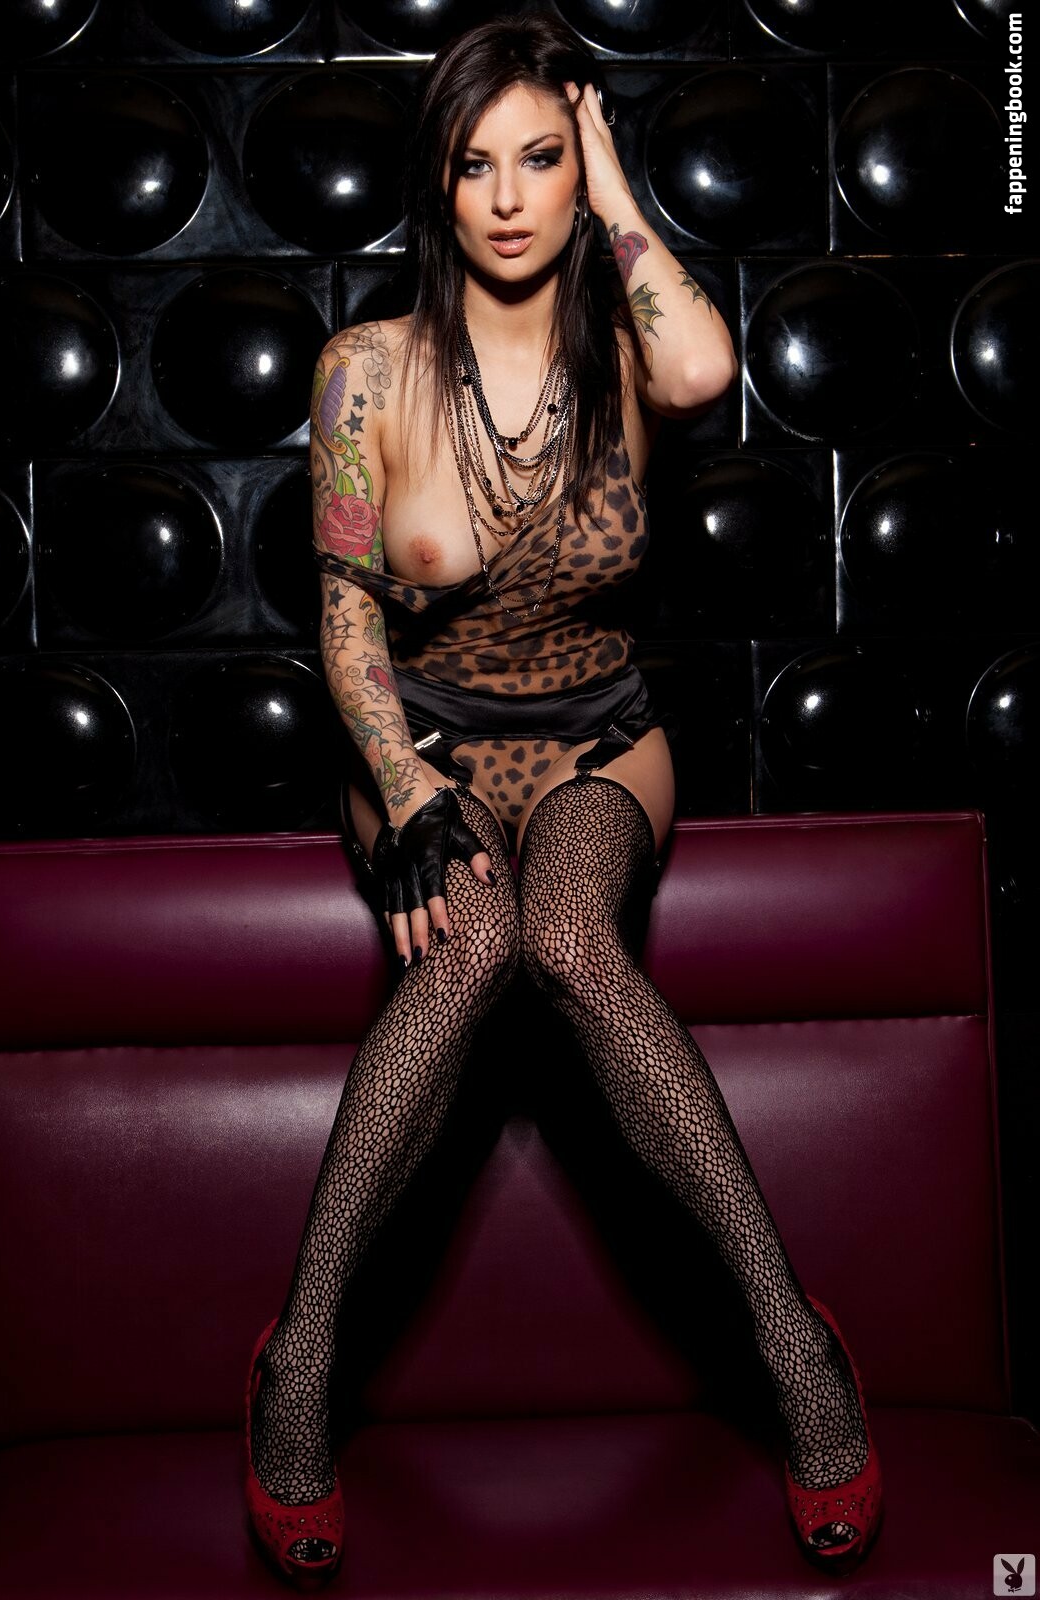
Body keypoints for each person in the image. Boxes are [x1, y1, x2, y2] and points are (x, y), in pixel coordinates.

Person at [242, 15, 883, 1587]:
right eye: (478, 166)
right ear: (437, 184)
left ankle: (792, 1341)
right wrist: (405, 789)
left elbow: (707, 367)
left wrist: (611, 177)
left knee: (573, 942)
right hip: (426, 745)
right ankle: (300, 1359)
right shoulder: (363, 373)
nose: (510, 198)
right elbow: (345, 616)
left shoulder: (623, 352)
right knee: (472, 946)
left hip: (598, 733)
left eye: (538, 160)